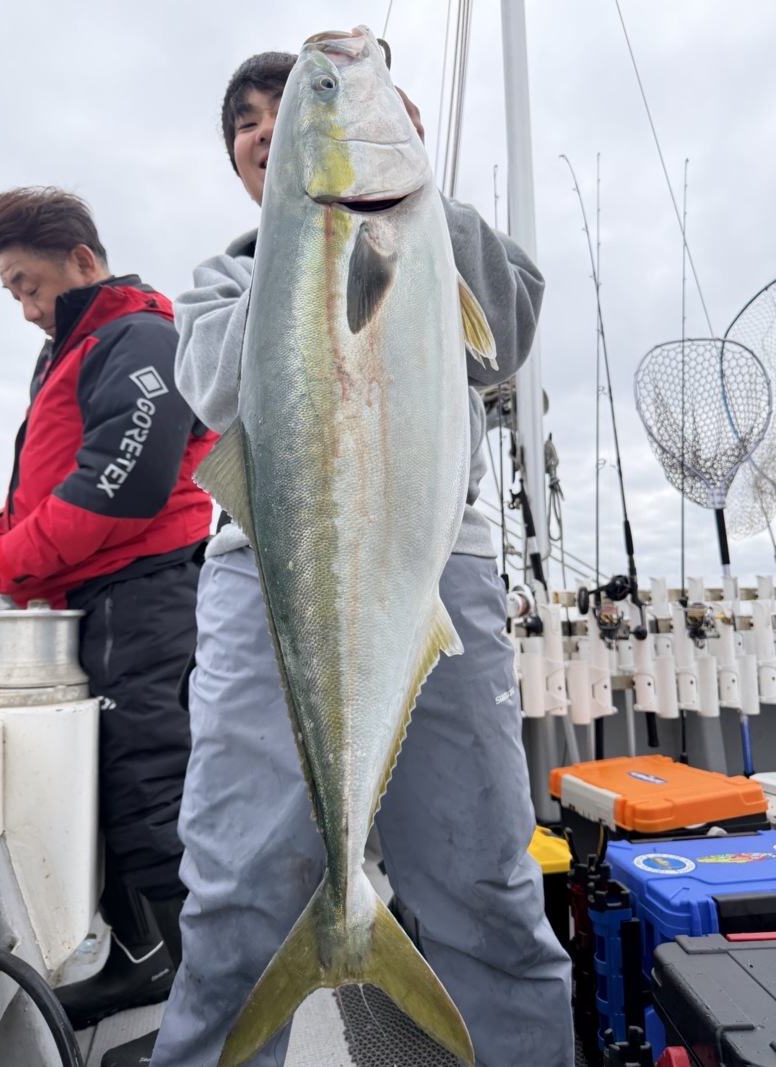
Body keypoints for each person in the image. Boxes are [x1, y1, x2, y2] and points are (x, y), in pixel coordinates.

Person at [138, 46, 574, 1067]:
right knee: (240, 888)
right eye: (248, 120)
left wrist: (416, 203)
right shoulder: (220, 281)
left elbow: (503, 327)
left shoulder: (434, 236)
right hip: (272, 572)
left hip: (438, 567)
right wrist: (313, 249)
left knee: (484, 880)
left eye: (291, 101)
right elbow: (215, 388)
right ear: (255, 160)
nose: (264, 123)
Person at [0, 187, 217, 1036]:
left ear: (82, 261)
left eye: (29, 285)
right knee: (108, 791)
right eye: (11, 293)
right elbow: (46, 485)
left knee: (148, 790)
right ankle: (142, 958)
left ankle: (216, 995)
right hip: (87, 598)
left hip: (142, 594)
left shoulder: (138, 334)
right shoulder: (71, 351)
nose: (27, 308)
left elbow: (123, 485)